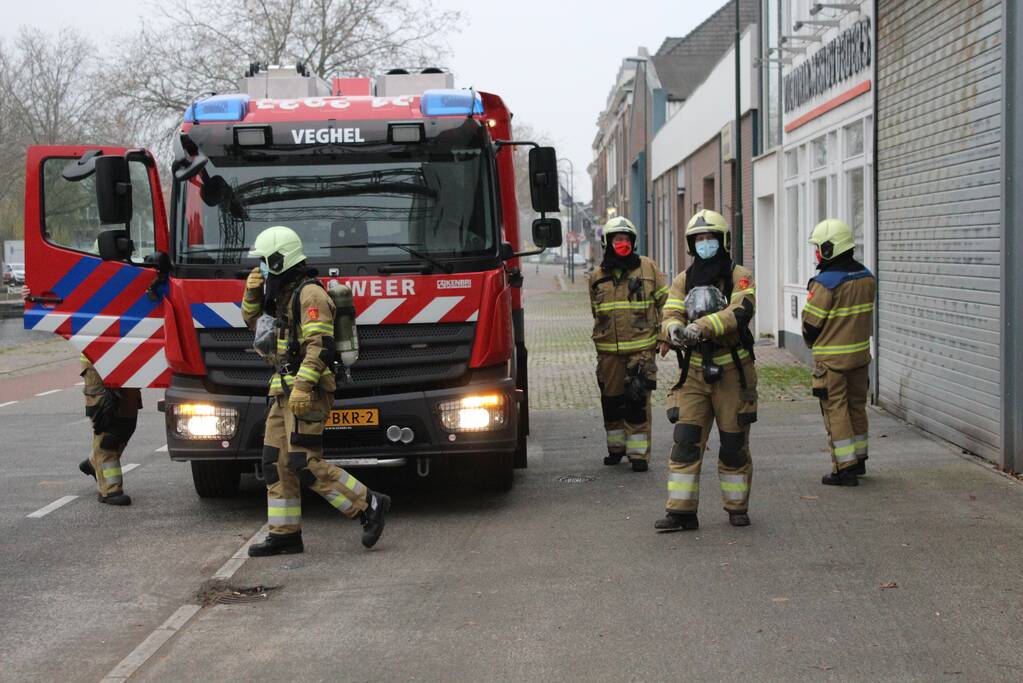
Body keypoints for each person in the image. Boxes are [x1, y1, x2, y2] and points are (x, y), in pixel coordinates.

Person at [242, 225, 390, 556]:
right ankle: (285, 534)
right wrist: (251, 294)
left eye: (264, 263)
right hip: (282, 391)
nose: (261, 269)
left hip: (306, 392)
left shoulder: (310, 296)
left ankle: (370, 504)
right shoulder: (281, 294)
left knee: (304, 462)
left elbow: (320, 346)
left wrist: (303, 386)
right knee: (274, 462)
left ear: (280, 261)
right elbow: (257, 326)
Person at [655, 210, 757, 531]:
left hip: (732, 374)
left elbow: (740, 311)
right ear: (691, 244)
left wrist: (700, 327)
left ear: (722, 240)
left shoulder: (739, 275)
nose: (704, 243)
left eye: (710, 237)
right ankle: (681, 512)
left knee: (733, 444)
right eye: (699, 239)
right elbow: (671, 310)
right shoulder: (684, 280)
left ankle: (736, 507)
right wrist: (672, 330)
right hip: (695, 375)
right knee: (685, 441)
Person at [21, 286, 137, 505]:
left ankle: (94, 463)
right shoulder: (85, 279)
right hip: (97, 362)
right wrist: (32, 296)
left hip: (128, 358)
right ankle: (110, 489)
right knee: (107, 427)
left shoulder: (129, 277)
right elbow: (57, 302)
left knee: (127, 423)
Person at [588, 217, 668, 472]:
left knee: (636, 402)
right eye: (617, 239)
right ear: (607, 243)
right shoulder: (597, 276)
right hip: (608, 353)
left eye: (625, 239)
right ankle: (616, 449)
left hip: (641, 351)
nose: (621, 244)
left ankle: (638, 455)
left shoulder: (648, 268)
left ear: (633, 242)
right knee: (611, 402)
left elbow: (665, 303)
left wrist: (664, 335)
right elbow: (595, 311)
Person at [802, 219, 876, 486]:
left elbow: (811, 324)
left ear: (830, 248)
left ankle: (844, 469)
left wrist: (812, 343)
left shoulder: (825, 283)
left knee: (836, 410)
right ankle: (859, 461)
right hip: (860, 358)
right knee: (857, 407)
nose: (816, 254)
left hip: (831, 362)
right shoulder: (867, 277)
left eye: (819, 248)